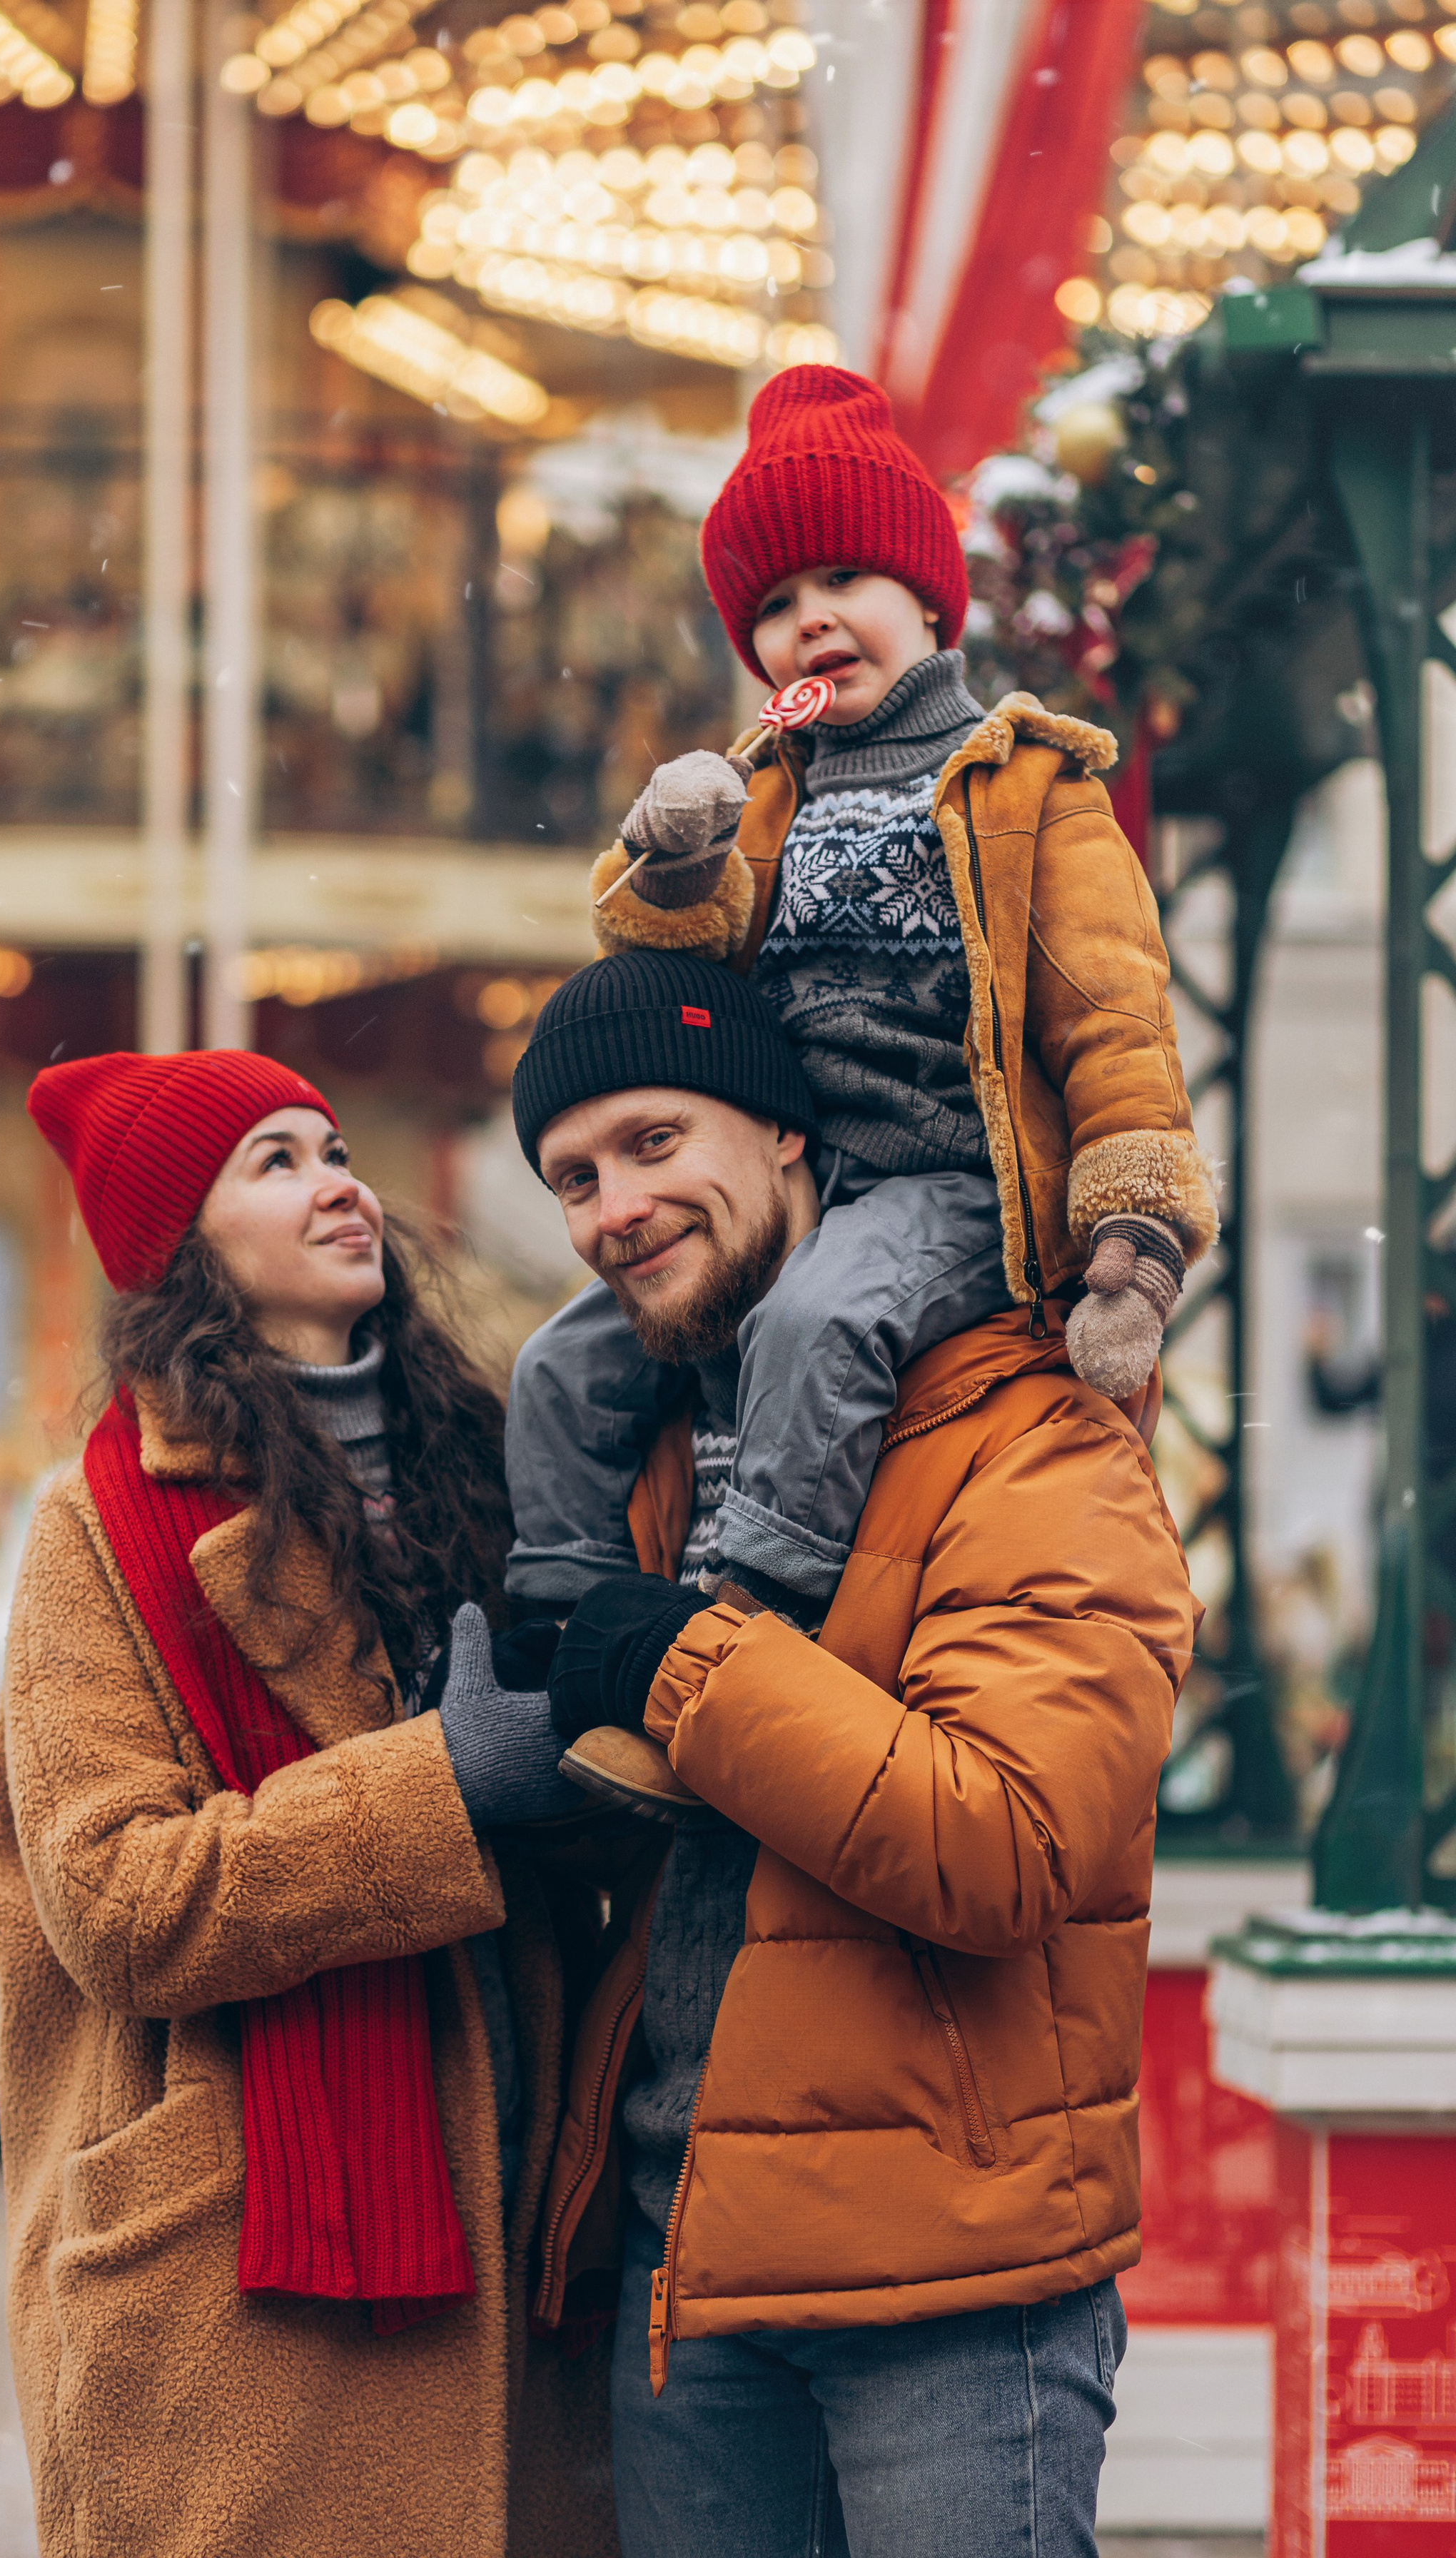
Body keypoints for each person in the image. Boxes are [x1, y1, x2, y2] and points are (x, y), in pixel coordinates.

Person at [448, 953, 1197, 2556]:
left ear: (787, 1131)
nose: (614, 1208)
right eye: (573, 1178)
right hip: (686, 2257)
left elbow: (1005, 1847)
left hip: (948, 2286)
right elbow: (673, 1843)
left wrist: (681, 1664)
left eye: (655, 1142)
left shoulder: (1032, 1438)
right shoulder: (653, 1447)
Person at [0, 1047, 616, 2558]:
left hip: (516, 2182)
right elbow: (120, 1904)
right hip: (254, 2255)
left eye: (335, 1150)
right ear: (183, 1245)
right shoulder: (99, 1529)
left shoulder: (490, 1461)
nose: (340, 1186)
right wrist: (438, 1787)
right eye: (275, 1161)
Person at [505, 363, 1215, 1625]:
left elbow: (1112, 1012)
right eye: (776, 605)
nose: (812, 621)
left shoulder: (1028, 786)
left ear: (928, 597)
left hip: (955, 1178)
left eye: (845, 579)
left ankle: (760, 1603)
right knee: (563, 1361)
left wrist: (1138, 1227)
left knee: (818, 1319)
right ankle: (557, 1612)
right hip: (797, 1181)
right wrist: (680, 863)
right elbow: (676, 972)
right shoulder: (764, 794)